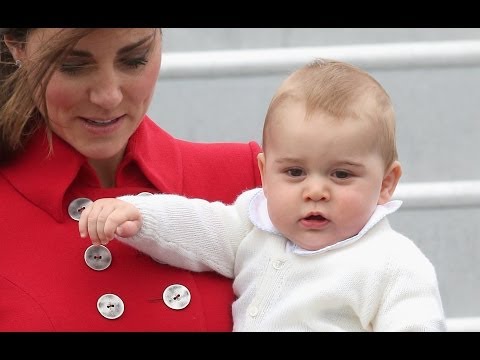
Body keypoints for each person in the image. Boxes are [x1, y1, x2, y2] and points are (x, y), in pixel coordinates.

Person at [79, 58, 447, 332]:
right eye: (294, 172)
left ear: (386, 183)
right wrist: (138, 215)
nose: (315, 191)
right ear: (264, 174)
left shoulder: (392, 263)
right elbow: (201, 226)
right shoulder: (256, 226)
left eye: (341, 174)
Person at [0, 28, 262, 331]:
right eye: (72, 65)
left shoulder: (252, 183)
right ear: (17, 46)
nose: (108, 96)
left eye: (134, 60)